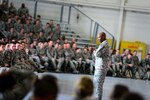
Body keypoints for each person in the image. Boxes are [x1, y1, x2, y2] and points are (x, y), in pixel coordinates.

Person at [93, 32, 110, 100]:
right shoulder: (105, 44)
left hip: (101, 68)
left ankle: (98, 98)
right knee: (98, 85)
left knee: (98, 85)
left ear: (103, 37)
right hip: (101, 67)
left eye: (99, 37)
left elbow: (97, 54)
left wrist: (94, 52)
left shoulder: (103, 44)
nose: (98, 39)